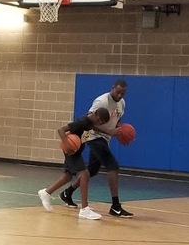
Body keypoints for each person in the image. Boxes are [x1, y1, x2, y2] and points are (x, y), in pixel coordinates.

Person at [59, 78, 133, 217]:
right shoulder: (101, 101)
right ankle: (115, 206)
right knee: (113, 166)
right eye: (118, 92)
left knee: (91, 171)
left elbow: (117, 120)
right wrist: (109, 131)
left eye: (123, 93)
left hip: (105, 138)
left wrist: (121, 131)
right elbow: (89, 121)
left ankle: (67, 193)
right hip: (93, 136)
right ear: (112, 88)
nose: (120, 96)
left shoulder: (122, 103)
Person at [38, 106, 110, 220]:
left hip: (75, 150)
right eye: (99, 121)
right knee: (85, 174)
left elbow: (94, 127)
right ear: (95, 115)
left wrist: (109, 132)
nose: (99, 123)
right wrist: (67, 144)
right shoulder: (81, 122)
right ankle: (85, 209)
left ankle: (46, 193)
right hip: (71, 150)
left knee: (68, 176)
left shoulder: (90, 121)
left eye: (102, 123)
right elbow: (61, 130)